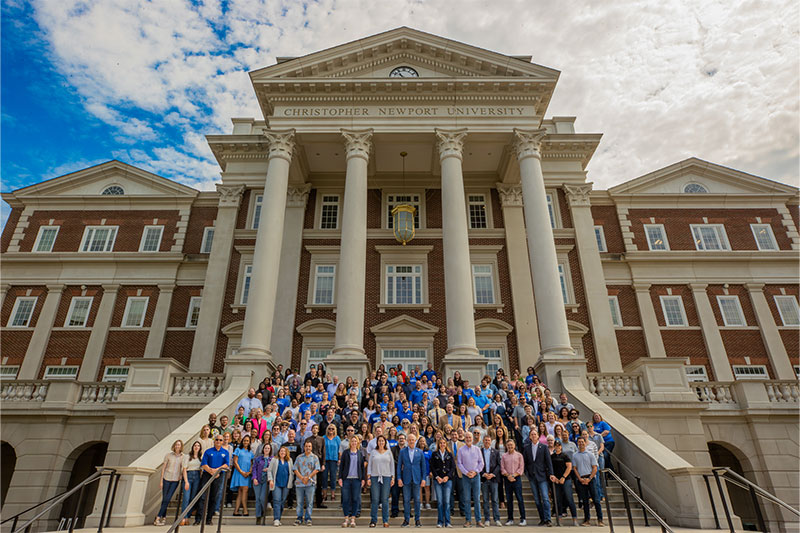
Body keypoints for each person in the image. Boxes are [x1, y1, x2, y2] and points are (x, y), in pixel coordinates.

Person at [197, 435, 230, 526]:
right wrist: (212, 471)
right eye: (217, 440)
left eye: (220, 440)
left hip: (219, 476)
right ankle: (198, 518)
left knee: (214, 497)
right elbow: (204, 464)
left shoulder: (225, 452)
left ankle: (209, 519)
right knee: (202, 496)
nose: (218, 441)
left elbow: (226, 464)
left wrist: (217, 470)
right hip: (207, 474)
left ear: (223, 441)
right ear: (214, 441)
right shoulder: (208, 451)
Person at [523, 430, 553, 526]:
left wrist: (551, 474)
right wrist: (527, 473)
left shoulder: (544, 447)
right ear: (530, 437)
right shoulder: (526, 448)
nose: (533, 436)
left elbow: (549, 462)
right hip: (532, 476)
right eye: (532, 434)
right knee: (537, 499)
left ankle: (548, 519)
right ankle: (542, 518)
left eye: (535, 434)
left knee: (545, 498)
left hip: (542, 476)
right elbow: (525, 463)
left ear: (538, 436)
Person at [572, 437, 604, 527]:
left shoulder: (590, 454)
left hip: (590, 479)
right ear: (577, 443)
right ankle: (587, 520)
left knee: (596, 499)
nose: (581, 443)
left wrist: (589, 478)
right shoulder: (575, 455)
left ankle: (600, 519)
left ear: (585, 443)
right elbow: (574, 468)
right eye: (579, 442)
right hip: (581, 479)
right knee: (585, 501)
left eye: (582, 442)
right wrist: (580, 479)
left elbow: (595, 467)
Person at [398, 433, 426, 527]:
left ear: (415, 441)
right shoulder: (402, 451)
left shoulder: (420, 452)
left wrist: (423, 479)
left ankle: (417, 520)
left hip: (417, 479)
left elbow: (423, 466)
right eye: (409, 439)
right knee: (406, 500)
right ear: (407, 441)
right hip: (406, 479)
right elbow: (399, 466)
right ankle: (406, 520)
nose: (411, 441)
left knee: (417, 500)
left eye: (413, 440)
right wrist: (399, 478)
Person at [456, 432, 484, 527]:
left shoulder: (477, 449)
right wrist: (466, 472)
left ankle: (478, 520)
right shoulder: (461, 450)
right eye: (467, 437)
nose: (468, 439)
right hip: (465, 477)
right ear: (464, 438)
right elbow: (459, 463)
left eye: (470, 437)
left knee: (476, 499)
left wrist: (475, 472)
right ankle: (468, 520)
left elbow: (481, 463)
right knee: (467, 499)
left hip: (476, 476)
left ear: (472, 439)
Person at [338, 435, 367, 527]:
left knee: (355, 499)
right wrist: (340, 478)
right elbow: (341, 466)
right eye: (352, 441)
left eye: (355, 441)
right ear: (350, 443)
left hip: (356, 480)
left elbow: (362, 468)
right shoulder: (346, 453)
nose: (354, 443)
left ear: (358, 443)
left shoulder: (360, 454)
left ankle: (353, 519)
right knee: (346, 499)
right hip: (346, 479)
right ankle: (346, 519)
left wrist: (363, 479)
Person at [367, 434, 395, 528]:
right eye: (379, 441)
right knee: (375, 499)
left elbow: (392, 466)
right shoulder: (373, 452)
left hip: (386, 477)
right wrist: (369, 477)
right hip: (375, 477)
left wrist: (392, 477)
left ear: (385, 442)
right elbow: (370, 465)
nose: (381, 442)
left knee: (385, 499)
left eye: (383, 441)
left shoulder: (388, 452)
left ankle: (385, 520)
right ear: (377, 442)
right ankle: (373, 520)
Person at [155, 440, 185, 526]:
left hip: (175, 480)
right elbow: (163, 469)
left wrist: (181, 475)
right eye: (176, 444)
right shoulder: (168, 455)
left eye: (179, 445)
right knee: (165, 499)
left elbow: (183, 468)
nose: (177, 446)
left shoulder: (183, 457)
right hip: (166, 478)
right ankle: (163, 517)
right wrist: (161, 481)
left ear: (181, 446)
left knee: (167, 499)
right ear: (174, 445)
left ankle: (158, 517)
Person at [549, 440, 577, 526]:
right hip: (556, 480)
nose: (557, 447)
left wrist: (563, 477)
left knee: (569, 498)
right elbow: (550, 468)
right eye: (556, 445)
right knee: (557, 499)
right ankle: (559, 519)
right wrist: (554, 477)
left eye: (559, 445)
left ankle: (574, 518)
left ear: (561, 446)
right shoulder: (552, 456)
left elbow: (569, 467)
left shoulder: (565, 456)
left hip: (566, 479)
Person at [430, 437, 456, 528]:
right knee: (440, 502)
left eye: (443, 443)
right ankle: (440, 521)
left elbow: (453, 467)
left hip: (447, 480)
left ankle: (448, 522)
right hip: (438, 481)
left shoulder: (449, 454)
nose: (442, 444)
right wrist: (437, 477)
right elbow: (432, 467)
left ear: (446, 444)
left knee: (447, 501)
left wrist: (447, 476)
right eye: (440, 443)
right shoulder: (434, 454)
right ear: (438, 444)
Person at [294, 440, 320, 526]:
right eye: (306, 446)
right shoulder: (299, 457)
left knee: (309, 502)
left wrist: (308, 477)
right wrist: (301, 478)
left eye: (309, 446)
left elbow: (317, 469)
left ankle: (308, 518)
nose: (308, 448)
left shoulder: (315, 457)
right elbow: (295, 469)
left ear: (311, 447)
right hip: (299, 483)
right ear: (304, 447)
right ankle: (299, 518)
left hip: (310, 483)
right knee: (299, 502)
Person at [500, 439, 526, 526]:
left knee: (519, 498)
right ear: (506, 446)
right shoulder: (504, 456)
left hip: (517, 479)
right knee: (509, 499)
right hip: (507, 479)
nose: (510, 447)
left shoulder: (519, 455)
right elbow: (502, 468)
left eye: (511, 445)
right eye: (508, 445)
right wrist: (508, 476)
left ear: (514, 445)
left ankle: (523, 518)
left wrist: (513, 476)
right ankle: (510, 518)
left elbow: (521, 468)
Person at [268, 446, 294, 526]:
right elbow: (269, 471)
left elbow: (292, 473)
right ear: (279, 452)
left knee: (282, 501)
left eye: (284, 451)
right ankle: (276, 519)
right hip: (277, 484)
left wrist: (291, 482)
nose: (282, 452)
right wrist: (271, 480)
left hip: (286, 484)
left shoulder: (290, 460)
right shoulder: (274, 460)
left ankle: (279, 518)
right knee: (276, 501)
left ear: (286, 453)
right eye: (281, 451)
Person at [480, 435, 501, 527]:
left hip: (494, 478)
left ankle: (497, 519)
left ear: (490, 442)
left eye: (488, 440)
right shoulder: (480, 452)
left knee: (495, 500)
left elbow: (499, 465)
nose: (487, 442)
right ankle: (487, 519)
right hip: (484, 478)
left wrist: (493, 474)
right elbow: (477, 463)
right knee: (485, 500)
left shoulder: (496, 452)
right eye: (485, 440)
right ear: (483, 442)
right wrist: (483, 473)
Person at [180, 441, 203, 526]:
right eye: (195, 445)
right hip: (188, 476)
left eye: (198, 446)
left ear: (200, 448)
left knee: (193, 498)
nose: (196, 447)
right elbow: (184, 469)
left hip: (197, 477)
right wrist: (186, 481)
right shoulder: (187, 456)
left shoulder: (201, 457)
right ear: (192, 447)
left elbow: (201, 469)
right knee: (186, 498)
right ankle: (183, 518)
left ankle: (188, 515)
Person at [231, 434, 254, 516]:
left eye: (247, 441)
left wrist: (249, 472)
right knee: (244, 490)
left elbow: (252, 463)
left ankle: (236, 511)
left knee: (241, 492)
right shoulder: (238, 450)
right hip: (239, 473)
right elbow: (235, 462)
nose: (246, 442)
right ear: (242, 441)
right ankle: (245, 510)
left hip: (247, 474)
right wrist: (241, 472)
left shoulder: (250, 452)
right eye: (244, 440)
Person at [252, 441, 273, 525]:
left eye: (268, 448)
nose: (266, 449)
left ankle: (264, 514)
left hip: (266, 481)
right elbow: (254, 469)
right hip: (258, 480)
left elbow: (274, 470)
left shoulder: (273, 459)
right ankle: (258, 516)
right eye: (265, 448)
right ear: (263, 449)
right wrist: (254, 478)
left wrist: (269, 469)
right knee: (257, 499)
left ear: (270, 450)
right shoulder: (258, 459)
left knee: (262, 498)